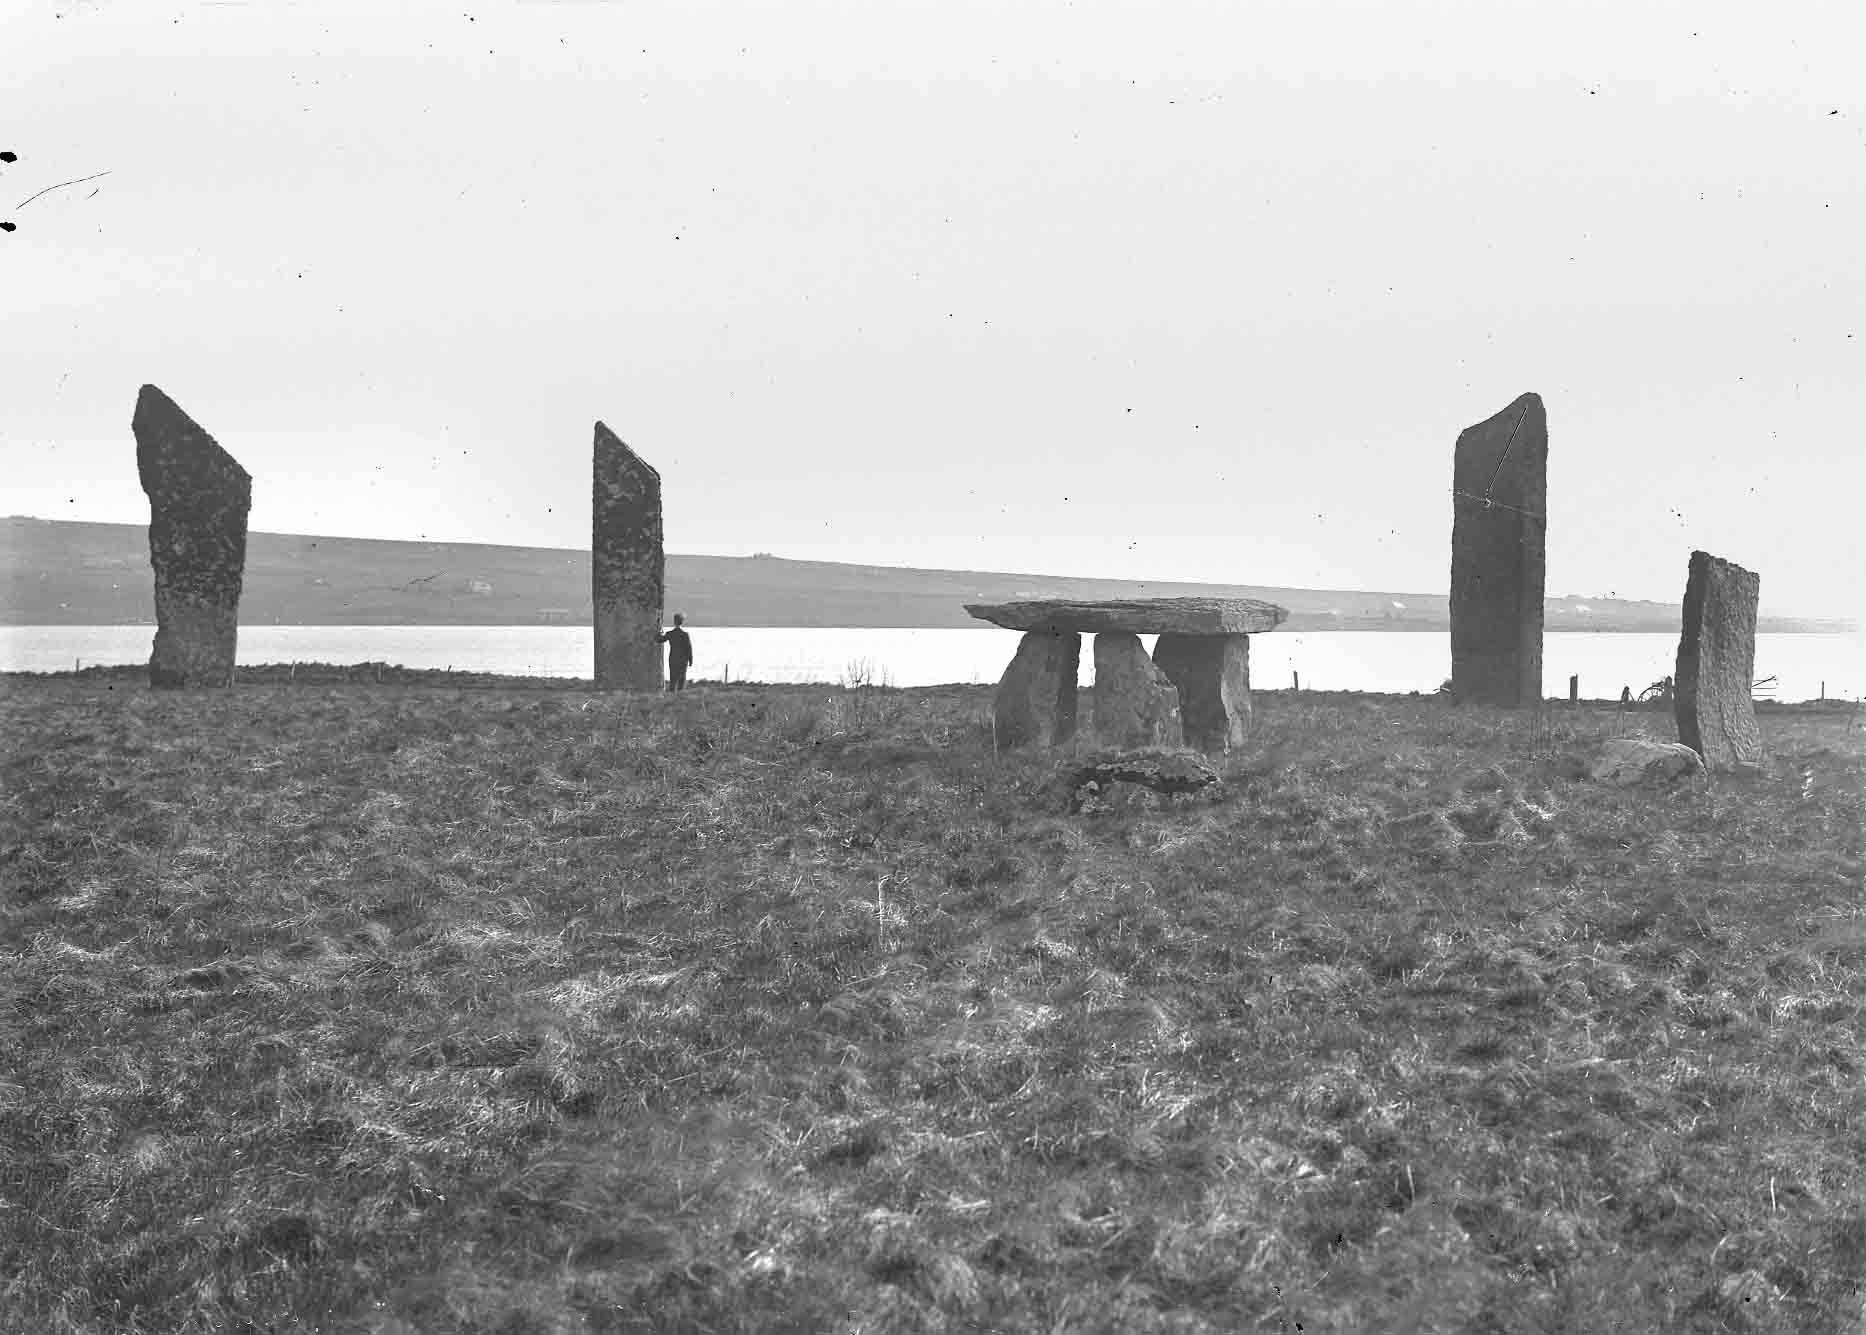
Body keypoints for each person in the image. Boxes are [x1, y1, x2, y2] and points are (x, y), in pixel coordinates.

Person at [657, 613, 693, 692]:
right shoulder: (685, 634)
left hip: (673, 659)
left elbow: (659, 640)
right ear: (682, 622)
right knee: (682, 679)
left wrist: (659, 631)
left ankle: (671, 694)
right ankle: (680, 695)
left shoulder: (670, 634)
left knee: (673, 679)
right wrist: (690, 660)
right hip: (683, 660)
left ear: (674, 622)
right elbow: (689, 649)